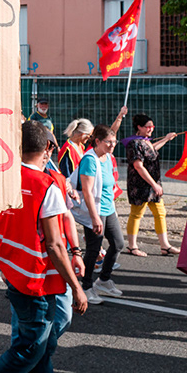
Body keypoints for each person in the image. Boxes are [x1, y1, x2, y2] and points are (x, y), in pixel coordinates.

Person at [0, 120, 89, 373]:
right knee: (28, 351)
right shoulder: (46, 186)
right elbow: (55, 245)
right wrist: (77, 287)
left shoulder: (5, 180)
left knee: (39, 352)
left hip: (14, 274)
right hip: (38, 283)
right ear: (47, 148)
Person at [75, 127, 126, 297]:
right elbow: (88, 191)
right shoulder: (90, 160)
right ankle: (86, 286)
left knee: (118, 243)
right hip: (96, 211)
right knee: (93, 249)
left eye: (114, 141)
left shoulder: (108, 157)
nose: (113, 145)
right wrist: (95, 217)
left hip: (108, 209)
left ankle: (103, 280)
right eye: (109, 142)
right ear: (97, 141)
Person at [120, 115, 179, 255]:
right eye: (148, 126)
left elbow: (152, 150)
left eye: (152, 126)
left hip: (152, 185)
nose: (151, 129)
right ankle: (132, 246)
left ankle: (165, 245)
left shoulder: (144, 142)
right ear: (139, 127)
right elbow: (138, 166)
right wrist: (154, 184)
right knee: (136, 214)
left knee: (160, 213)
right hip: (141, 185)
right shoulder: (134, 143)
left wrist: (166, 138)